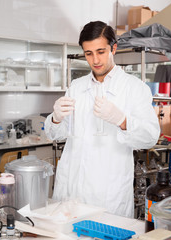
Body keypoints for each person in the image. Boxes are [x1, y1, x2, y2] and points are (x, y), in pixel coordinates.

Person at [44, 21, 160, 218]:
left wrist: (122, 120)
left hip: (107, 193)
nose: (95, 60)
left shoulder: (134, 88)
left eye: (101, 51)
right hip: (71, 189)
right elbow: (56, 134)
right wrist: (55, 118)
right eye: (89, 53)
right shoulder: (77, 87)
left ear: (113, 48)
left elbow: (151, 137)